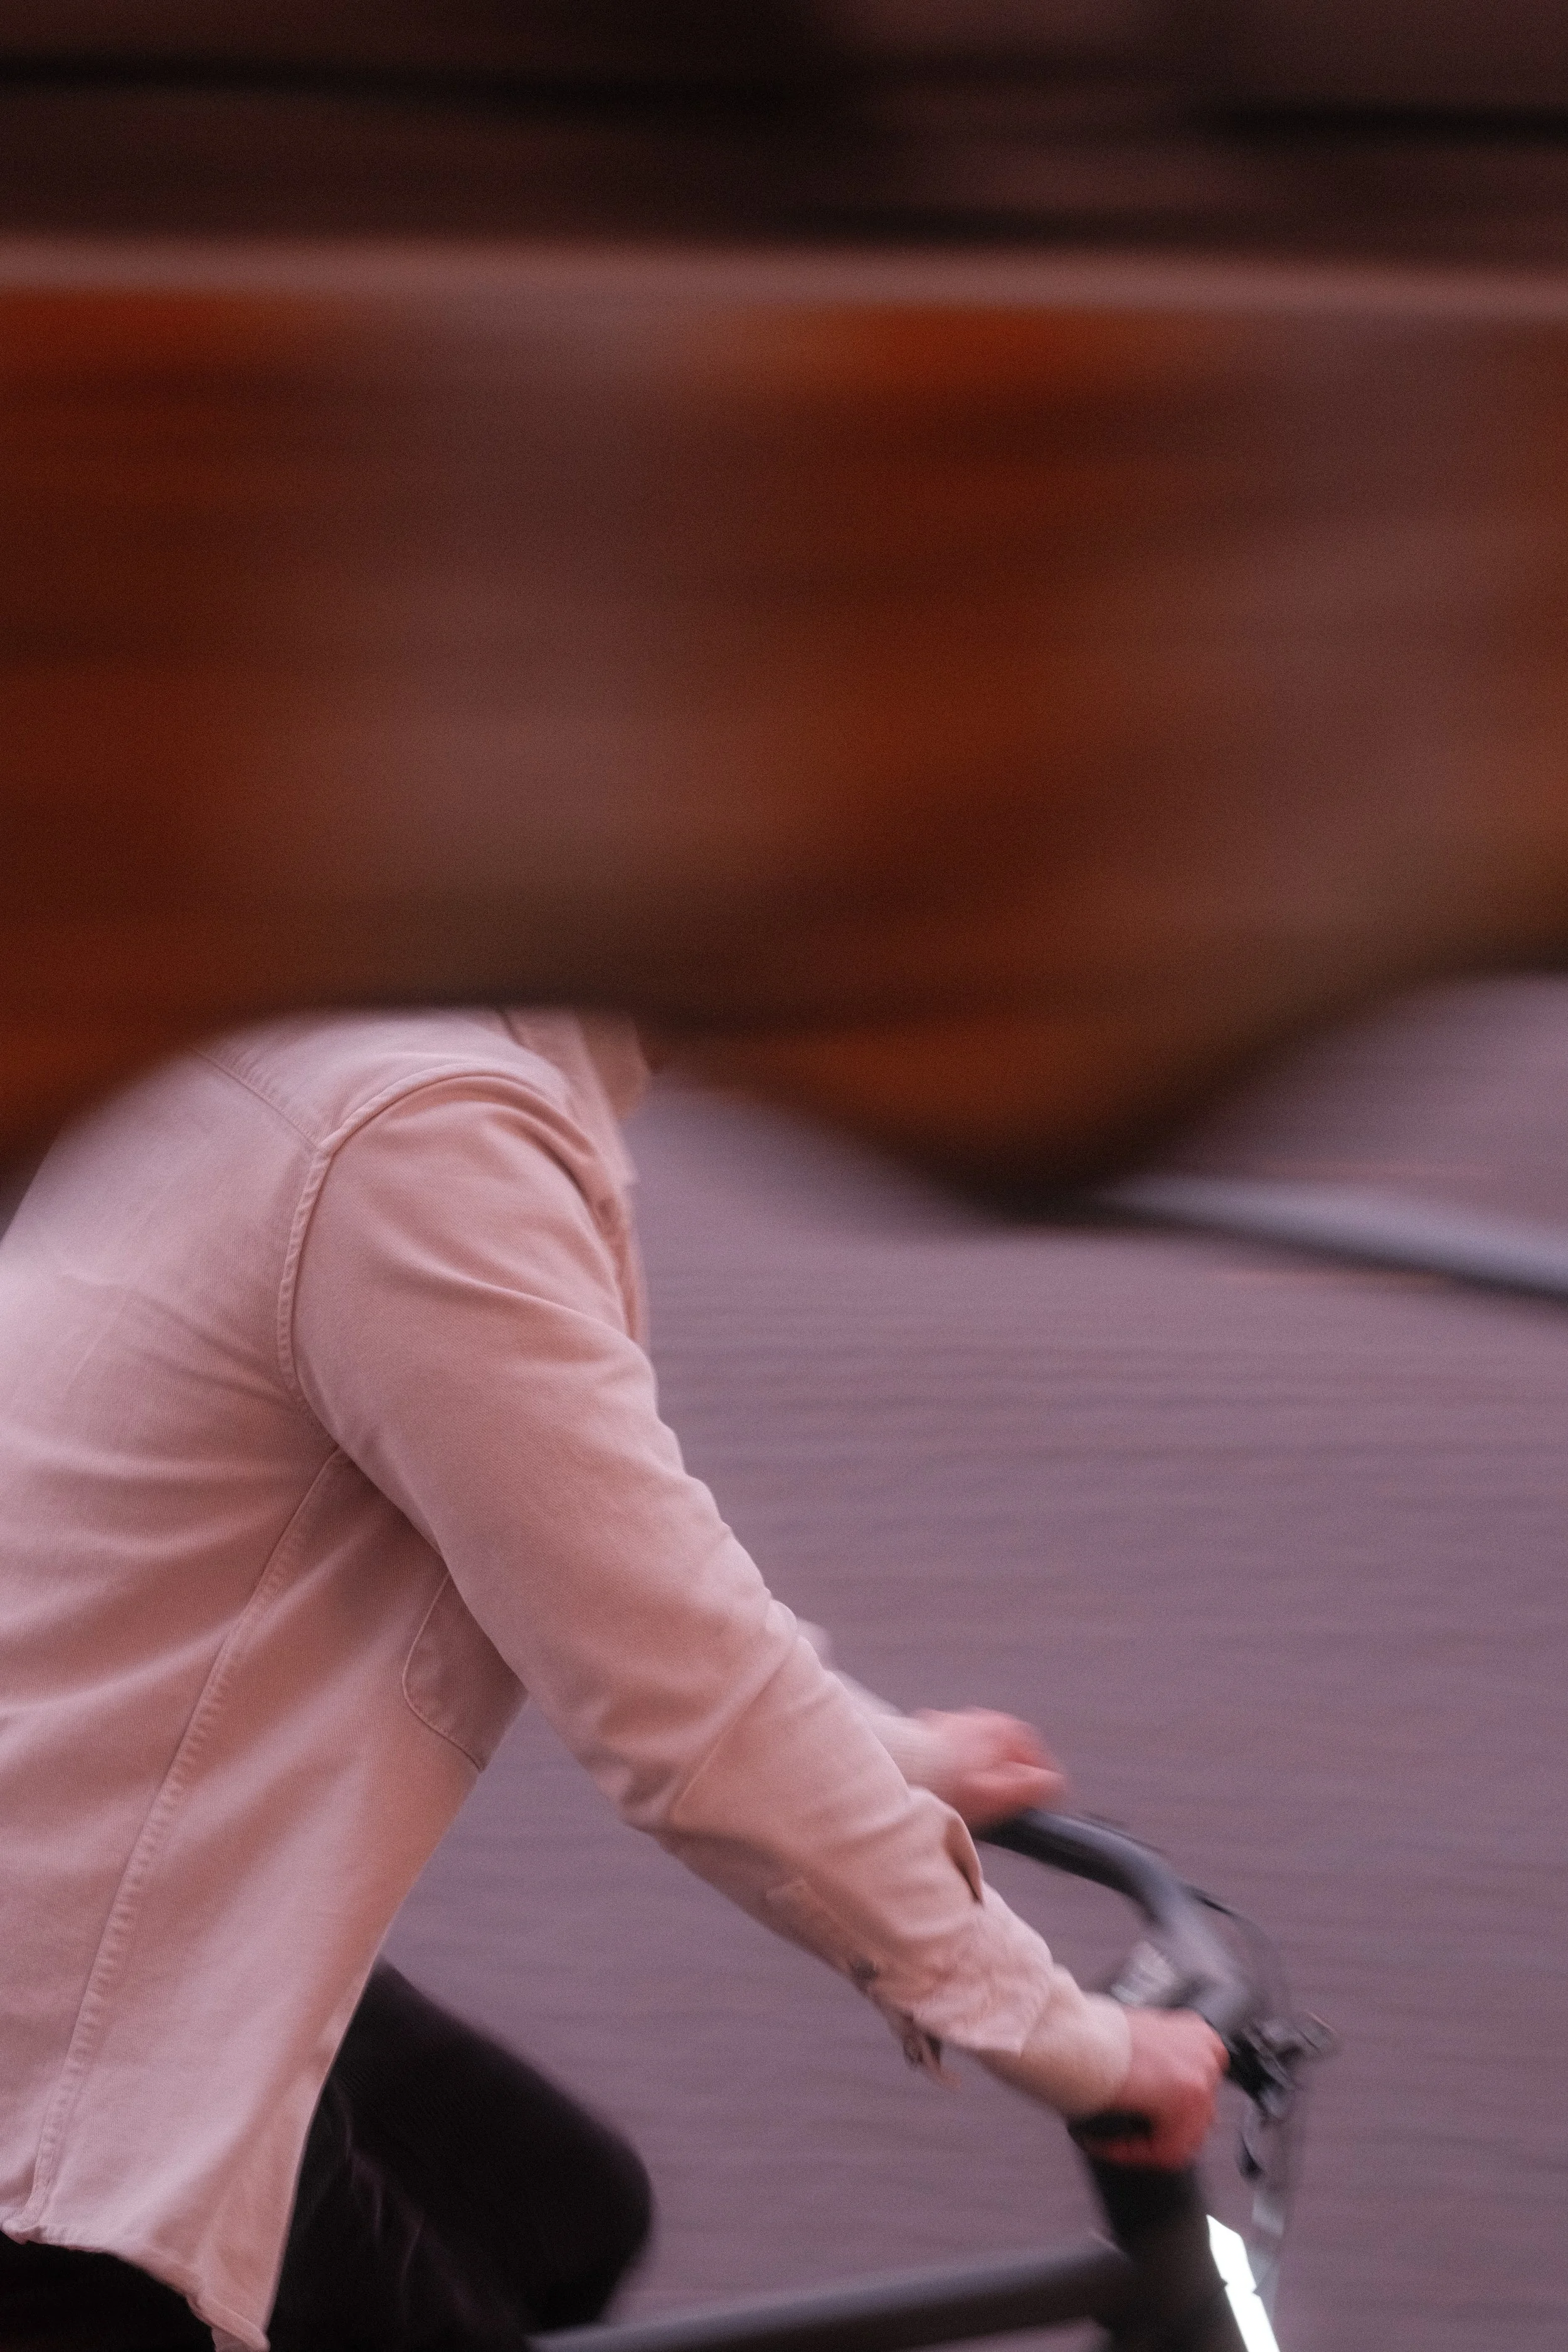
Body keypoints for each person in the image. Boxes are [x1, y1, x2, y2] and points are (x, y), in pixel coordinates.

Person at [0, 1005, 1224, 2352]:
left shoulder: (320, 1025)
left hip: (119, 1907)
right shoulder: (415, 1143)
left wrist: (884, 1755)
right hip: (57, 2050)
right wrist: (1068, 2042)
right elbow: (681, 1702)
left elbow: (591, 1558)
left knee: (554, 2214)